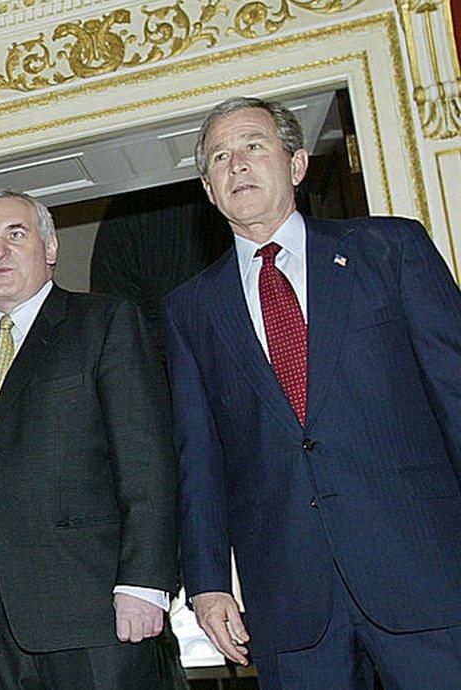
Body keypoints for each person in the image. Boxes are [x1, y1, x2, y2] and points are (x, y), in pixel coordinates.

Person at [163, 97, 461, 689]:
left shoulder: (391, 250)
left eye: (253, 146)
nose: (237, 165)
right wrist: (207, 583)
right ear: (208, 188)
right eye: (219, 157)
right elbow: (199, 456)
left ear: (296, 164)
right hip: (290, 603)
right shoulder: (189, 308)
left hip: (422, 572)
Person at [0, 190, 178, 689]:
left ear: (50, 248)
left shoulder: (106, 323)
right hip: (0, 630)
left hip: (98, 613)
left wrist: (145, 582)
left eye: (16, 234)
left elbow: (147, 462)